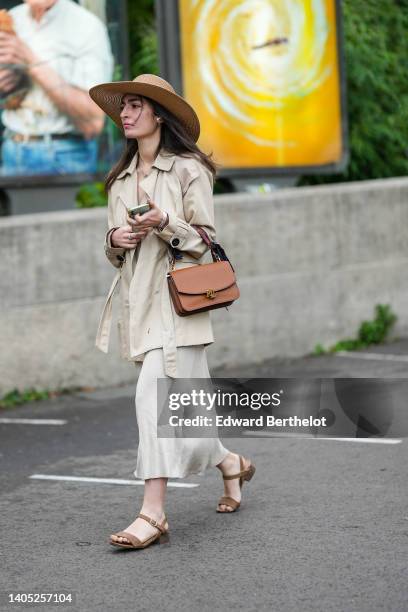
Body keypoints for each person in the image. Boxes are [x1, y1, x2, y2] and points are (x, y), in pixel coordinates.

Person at [89, 73, 256, 550]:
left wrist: (165, 222)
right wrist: (114, 241)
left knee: (153, 401)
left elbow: (205, 241)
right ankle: (232, 465)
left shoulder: (187, 169)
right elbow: (116, 250)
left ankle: (153, 513)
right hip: (138, 304)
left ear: (159, 114)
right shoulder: (119, 180)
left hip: (178, 305)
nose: (125, 113)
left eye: (137, 105)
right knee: (185, 411)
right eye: (123, 106)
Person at [0, 0, 113, 176]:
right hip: (10, 148)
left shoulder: (86, 27)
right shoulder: (13, 19)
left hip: (64, 155)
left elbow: (93, 122)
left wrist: (30, 61)